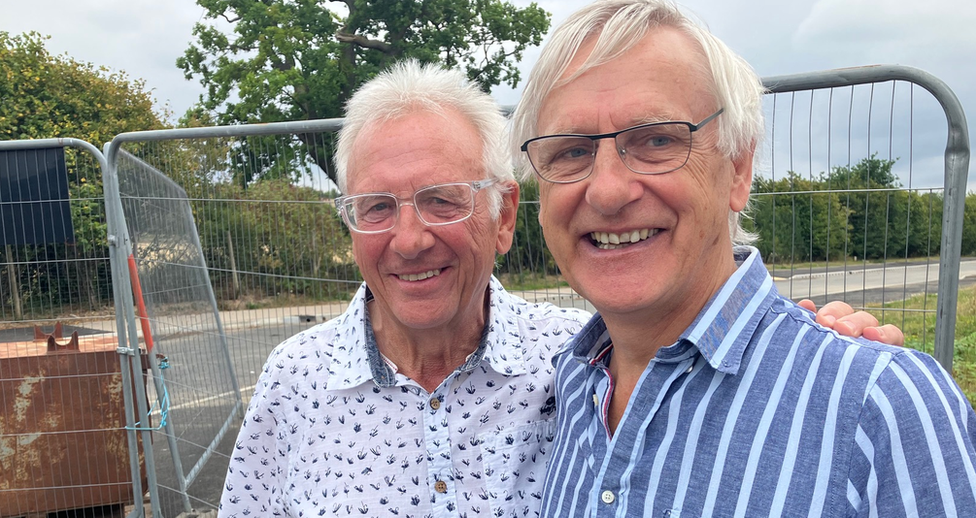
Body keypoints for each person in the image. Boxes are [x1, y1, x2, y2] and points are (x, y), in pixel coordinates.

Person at [219, 62, 896, 517]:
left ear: (505, 214)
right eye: (375, 207)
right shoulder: (294, 381)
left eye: (442, 200)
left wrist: (821, 352)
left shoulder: (583, 363)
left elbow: (719, 386)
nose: (409, 237)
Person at [509, 0, 976, 517]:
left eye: (657, 140)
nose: (609, 191)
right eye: (571, 151)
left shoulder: (880, 407)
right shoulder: (567, 388)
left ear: (738, 170)